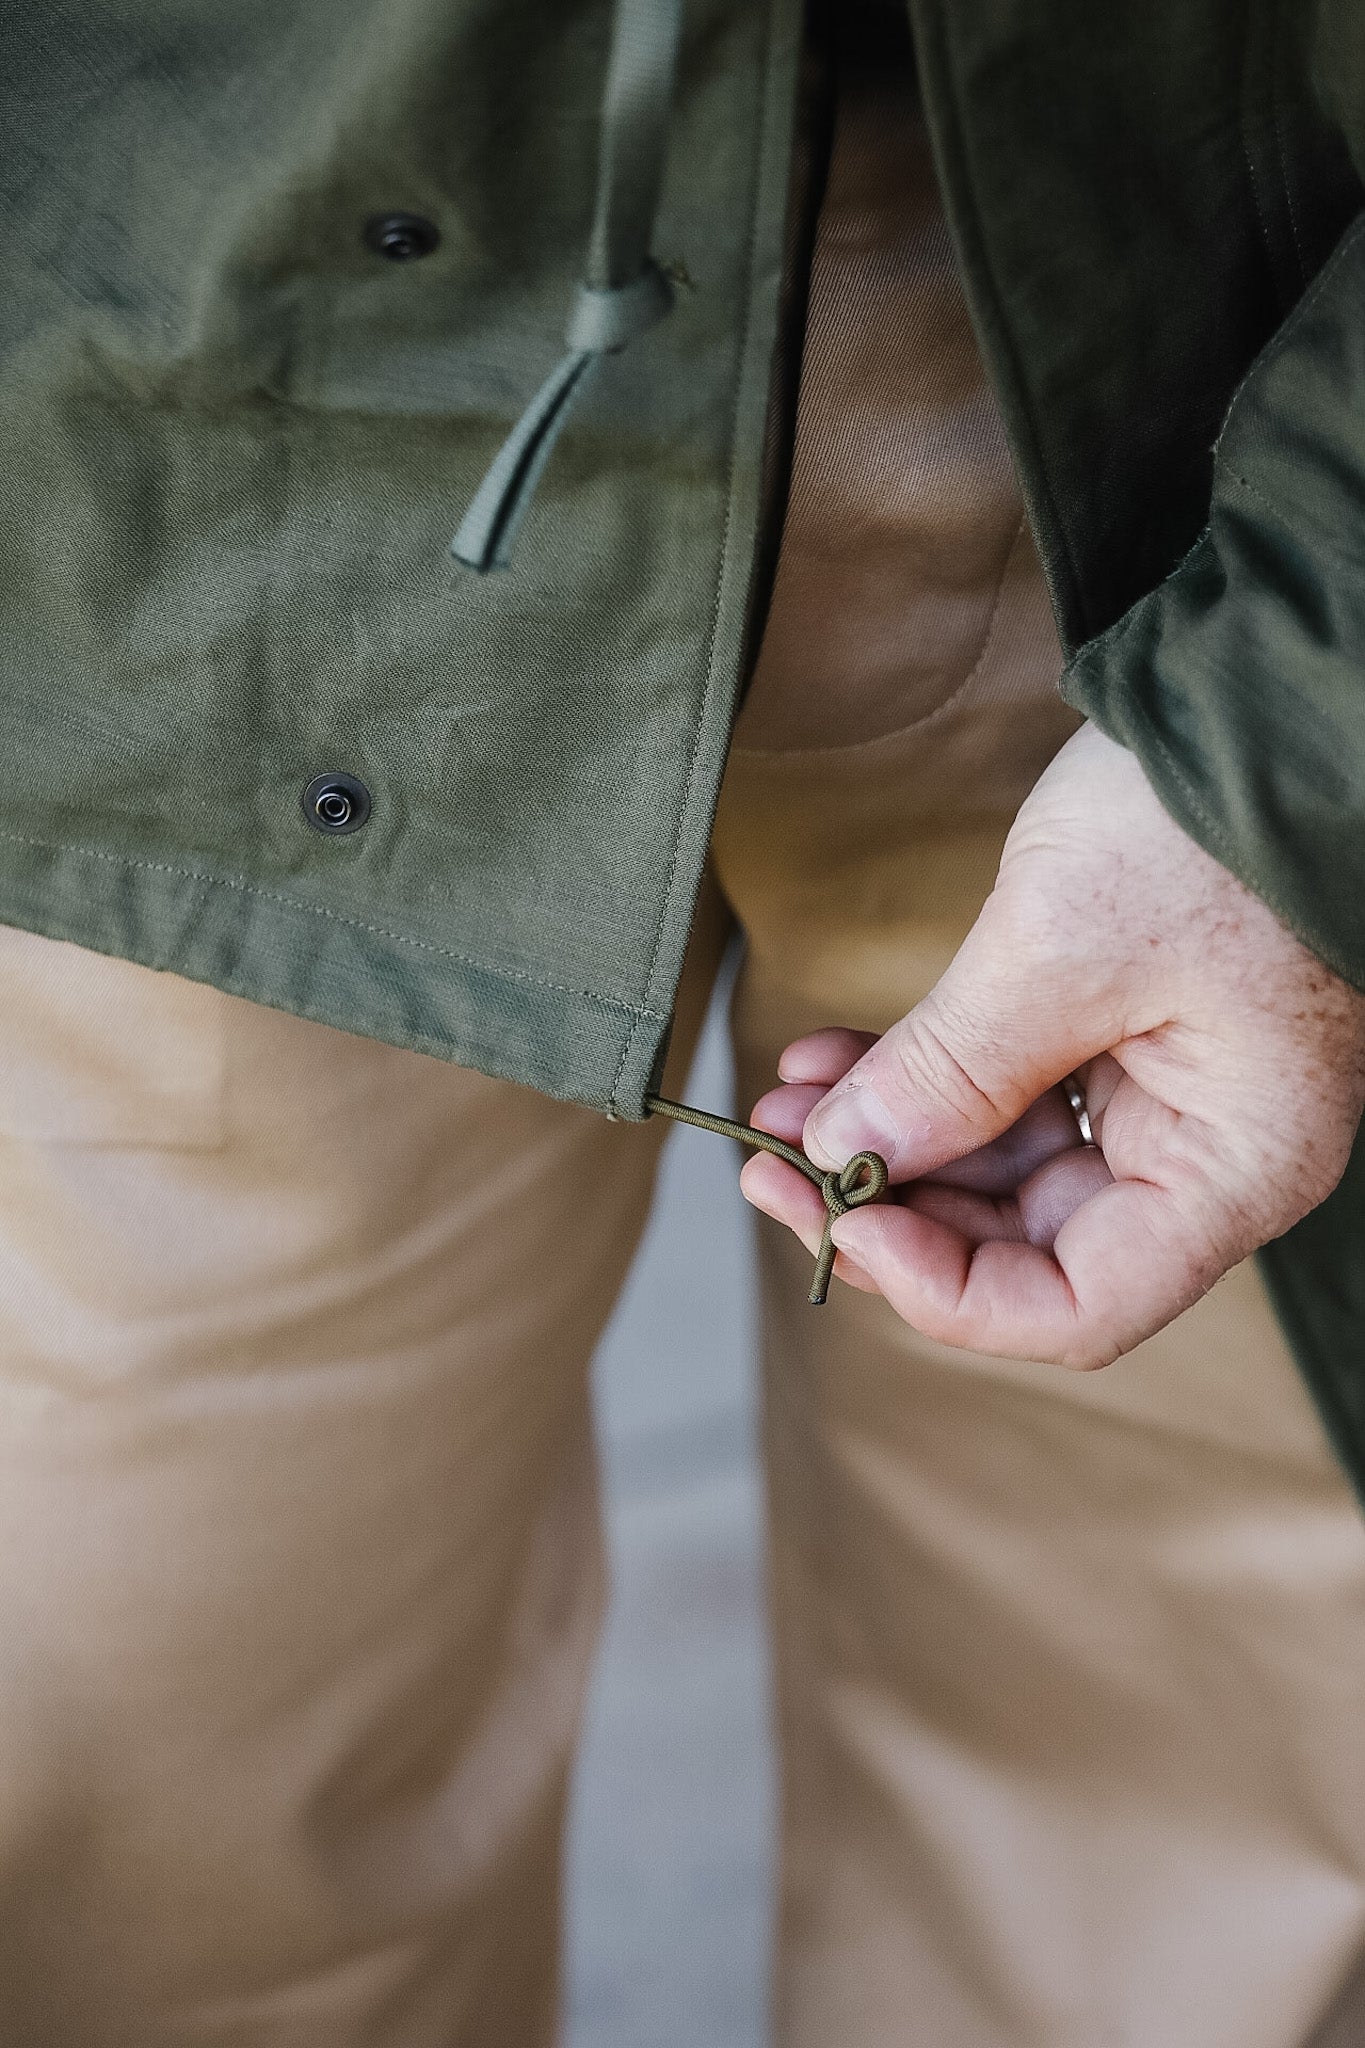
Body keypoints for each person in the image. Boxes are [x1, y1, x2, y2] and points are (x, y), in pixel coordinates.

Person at [1, 0, 1364, 2041]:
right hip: (177, 419)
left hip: (1186, 381)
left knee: (1170, 1831)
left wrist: (1304, 727)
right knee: (151, 1807)